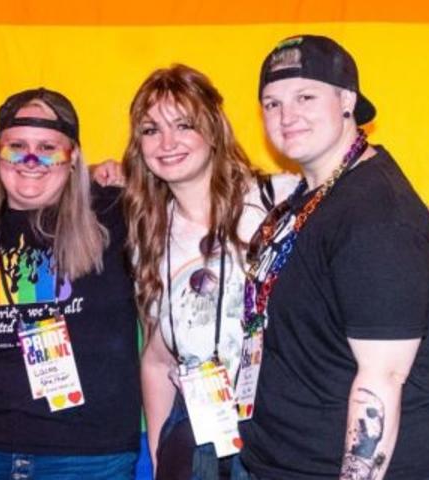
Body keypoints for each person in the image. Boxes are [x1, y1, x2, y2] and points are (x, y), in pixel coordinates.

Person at [235, 35, 429, 480]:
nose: (287, 116)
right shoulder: (315, 197)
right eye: (272, 103)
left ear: (347, 100)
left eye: (305, 96)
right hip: (287, 458)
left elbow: (381, 382)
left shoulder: (376, 214)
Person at [0, 88, 140, 479]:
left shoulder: (116, 213)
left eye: (47, 147)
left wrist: (138, 178)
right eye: (17, 146)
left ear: (73, 155)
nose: (31, 160)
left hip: (85, 456)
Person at [118, 64, 297, 480]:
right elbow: (158, 359)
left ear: (213, 130)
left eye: (184, 125)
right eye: (150, 130)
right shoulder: (148, 228)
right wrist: (162, 455)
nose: (167, 142)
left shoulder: (279, 199)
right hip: (196, 428)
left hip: (280, 424)